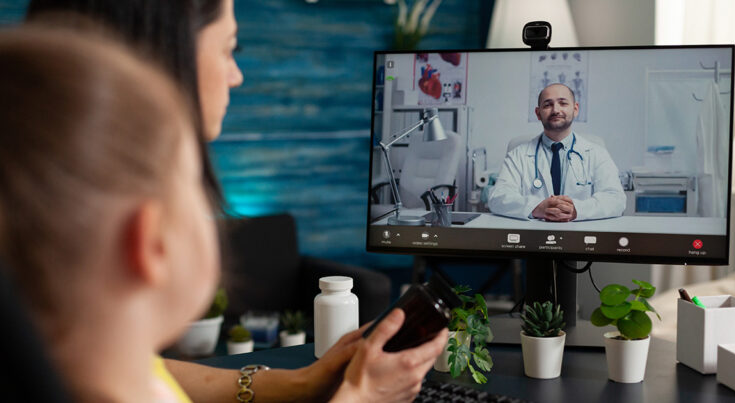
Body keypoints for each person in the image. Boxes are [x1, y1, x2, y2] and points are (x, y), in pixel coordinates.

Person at [23, 1, 448, 401]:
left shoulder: (66, 344)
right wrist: (362, 396)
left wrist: (300, 383)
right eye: (230, 49)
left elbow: (145, 371)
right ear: (149, 240)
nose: (237, 75)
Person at [488, 83, 626, 221]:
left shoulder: (597, 153)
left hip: (581, 235)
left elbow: (616, 199)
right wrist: (536, 207)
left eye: (563, 103)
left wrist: (576, 210)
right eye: (548, 105)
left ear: (575, 109)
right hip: (533, 235)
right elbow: (498, 197)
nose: (556, 110)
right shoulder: (517, 155)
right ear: (538, 113)